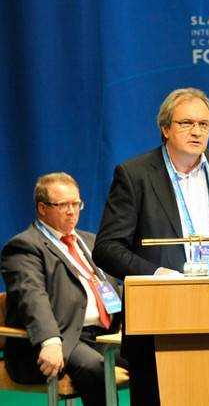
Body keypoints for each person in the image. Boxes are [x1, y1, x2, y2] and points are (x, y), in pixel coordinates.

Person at [92, 88, 209, 405]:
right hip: (157, 320)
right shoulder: (135, 174)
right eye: (186, 123)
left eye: (204, 124)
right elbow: (107, 248)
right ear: (165, 128)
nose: (196, 131)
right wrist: (157, 275)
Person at [1, 172, 125, 405]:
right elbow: (32, 297)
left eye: (76, 204)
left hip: (102, 335)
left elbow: (111, 287)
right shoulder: (24, 246)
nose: (71, 211)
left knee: (148, 356)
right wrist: (49, 340)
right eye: (63, 205)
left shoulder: (91, 242)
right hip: (60, 338)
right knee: (94, 367)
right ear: (42, 208)